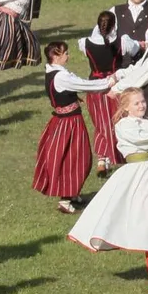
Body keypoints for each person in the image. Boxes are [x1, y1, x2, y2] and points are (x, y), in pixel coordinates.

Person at [67, 88, 148, 293]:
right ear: (126, 107)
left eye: (142, 101)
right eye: (136, 103)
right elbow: (142, 139)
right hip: (138, 177)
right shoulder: (124, 125)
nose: (141, 105)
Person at [34, 41, 115, 214]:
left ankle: (72, 194)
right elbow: (86, 85)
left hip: (62, 121)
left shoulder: (52, 72)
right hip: (69, 123)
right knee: (75, 158)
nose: (68, 56)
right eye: (65, 53)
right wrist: (109, 82)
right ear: (56, 56)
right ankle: (65, 199)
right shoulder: (61, 77)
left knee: (73, 157)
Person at [81, 10, 139, 174]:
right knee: (120, 120)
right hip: (116, 87)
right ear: (115, 25)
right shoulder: (122, 41)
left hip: (95, 87)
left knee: (101, 123)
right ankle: (123, 155)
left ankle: (102, 159)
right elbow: (134, 51)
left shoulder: (86, 42)